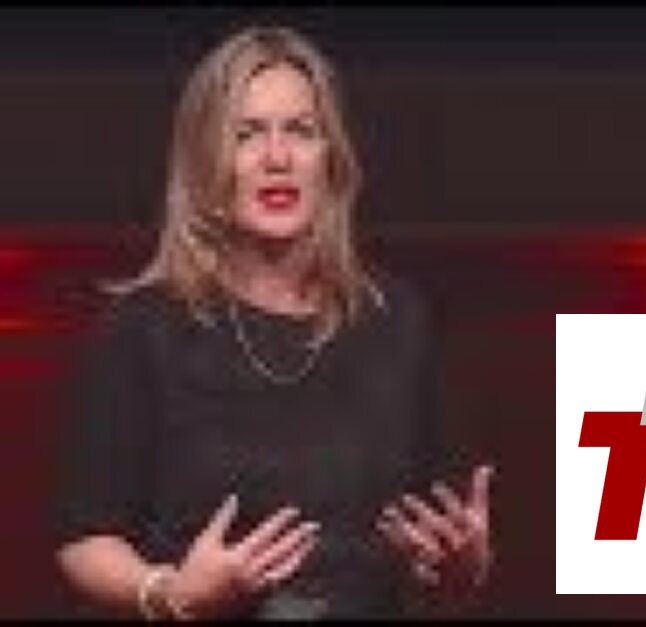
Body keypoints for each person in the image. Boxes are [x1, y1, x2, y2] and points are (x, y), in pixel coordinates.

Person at [52, 25, 494, 619]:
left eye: (300, 131)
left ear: (330, 158)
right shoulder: (143, 328)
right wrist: (173, 594)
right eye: (247, 134)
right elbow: (85, 540)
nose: (277, 158)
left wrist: (461, 568)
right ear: (206, 160)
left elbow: (443, 555)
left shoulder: (397, 320)